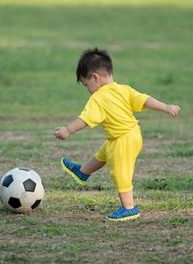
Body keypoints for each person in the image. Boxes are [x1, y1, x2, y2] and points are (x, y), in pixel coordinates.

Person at [54, 48, 181, 222]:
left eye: (86, 84)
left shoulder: (98, 97)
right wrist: (165, 107)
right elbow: (145, 99)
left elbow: (85, 119)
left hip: (124, 140)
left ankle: (129, 208)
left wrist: (67, 130)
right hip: (131, 135)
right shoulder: (123, 89)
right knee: (103, 153)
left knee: (120, 172)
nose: (87, 89)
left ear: (95, 78)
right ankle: (83, 172)